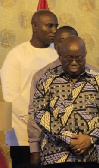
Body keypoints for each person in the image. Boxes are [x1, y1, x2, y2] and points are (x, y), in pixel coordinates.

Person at [33, 36, 99, 168]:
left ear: (85, 55)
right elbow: (39, 113)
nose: (74, 62)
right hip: (56, 156)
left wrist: (89, 138)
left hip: (92, 156)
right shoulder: (46, 80)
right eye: (68, 58)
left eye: (79, 58)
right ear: (60, 56)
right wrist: (68, 138)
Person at [0, 9, 58, 168]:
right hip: (22, 131)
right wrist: (37, 120)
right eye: (49, 26)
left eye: (56, 26)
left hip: (53, 133)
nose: (54, 31)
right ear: (34, 26)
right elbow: (10, 95)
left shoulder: (58, 54)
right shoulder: (16, 54)